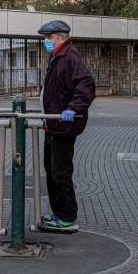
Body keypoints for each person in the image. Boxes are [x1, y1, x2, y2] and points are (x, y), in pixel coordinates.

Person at [37, 20, 95, 232]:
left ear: (61, 37)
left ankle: (68, 216)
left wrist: (72, 108)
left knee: (61, 172)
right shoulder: (57, 57)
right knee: (52, 170)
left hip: (62, 125)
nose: (46, 41)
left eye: (49, 37)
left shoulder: (69, 57)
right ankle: (58, 212)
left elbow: (86, 84)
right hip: (51, 124)